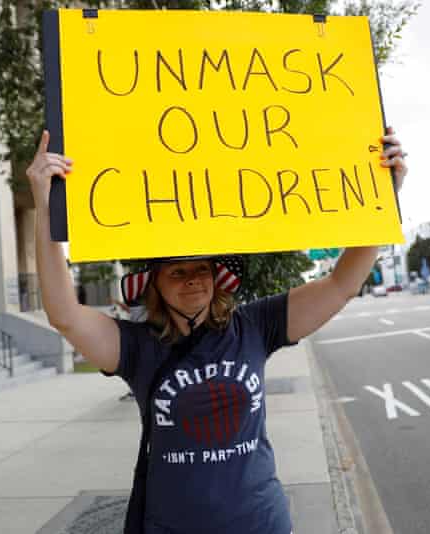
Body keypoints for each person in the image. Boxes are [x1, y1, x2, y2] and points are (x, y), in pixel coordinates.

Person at [28, 128, 407, 534]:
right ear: (155, 285)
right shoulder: (137, 347)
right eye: (177, 271)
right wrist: (44, 204)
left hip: (261, 523)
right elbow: (64, 314)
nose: (193, 279)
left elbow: (341, 285)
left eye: (201, 269)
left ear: (216, 277)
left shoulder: (256, 326)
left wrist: (384, 196)